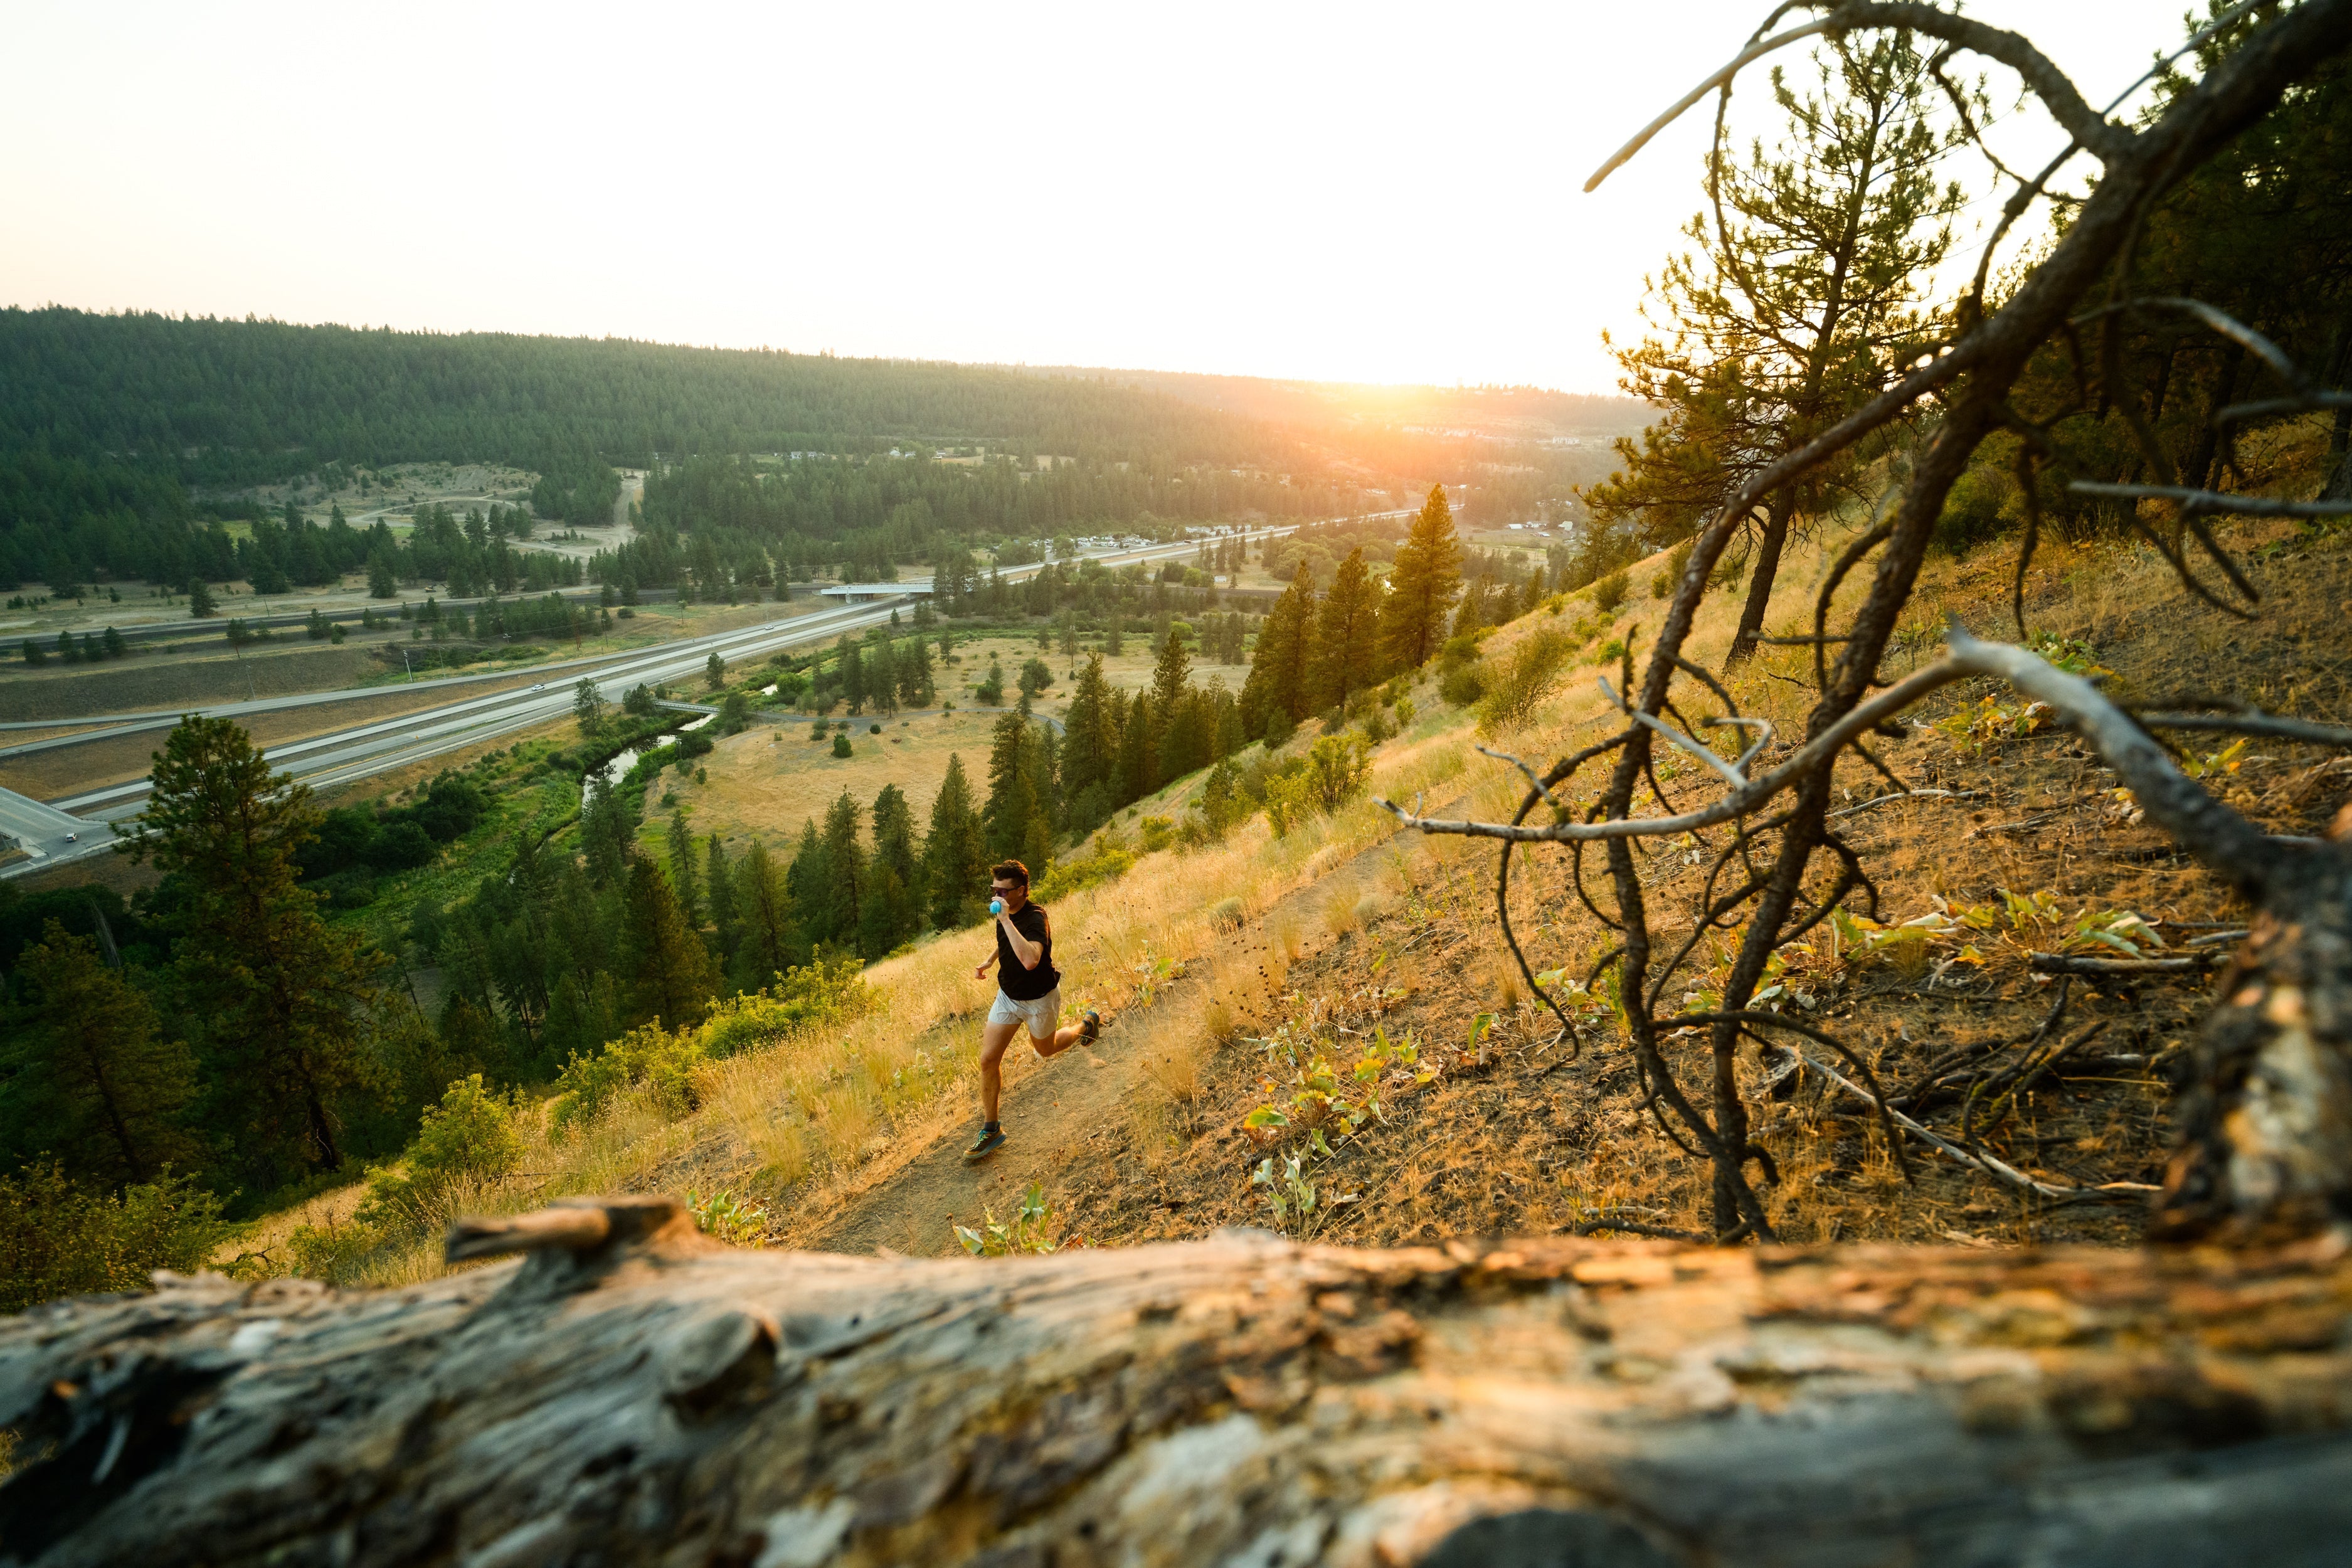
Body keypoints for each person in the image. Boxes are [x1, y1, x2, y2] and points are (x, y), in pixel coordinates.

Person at [965, 859, 1099, 1163]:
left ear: (1022, 891)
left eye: (1003, 891)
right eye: (993, 890)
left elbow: (1029, 959)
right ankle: (992, 1129)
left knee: (1046, 1049)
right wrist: (990, 961)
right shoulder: (1006, 915)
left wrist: (1006, 921)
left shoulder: (1036, 918)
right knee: (988, 1060)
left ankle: (1085, 1027)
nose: (996, 897)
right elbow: (1007, 943)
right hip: (1008, 997)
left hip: (1040, 999)